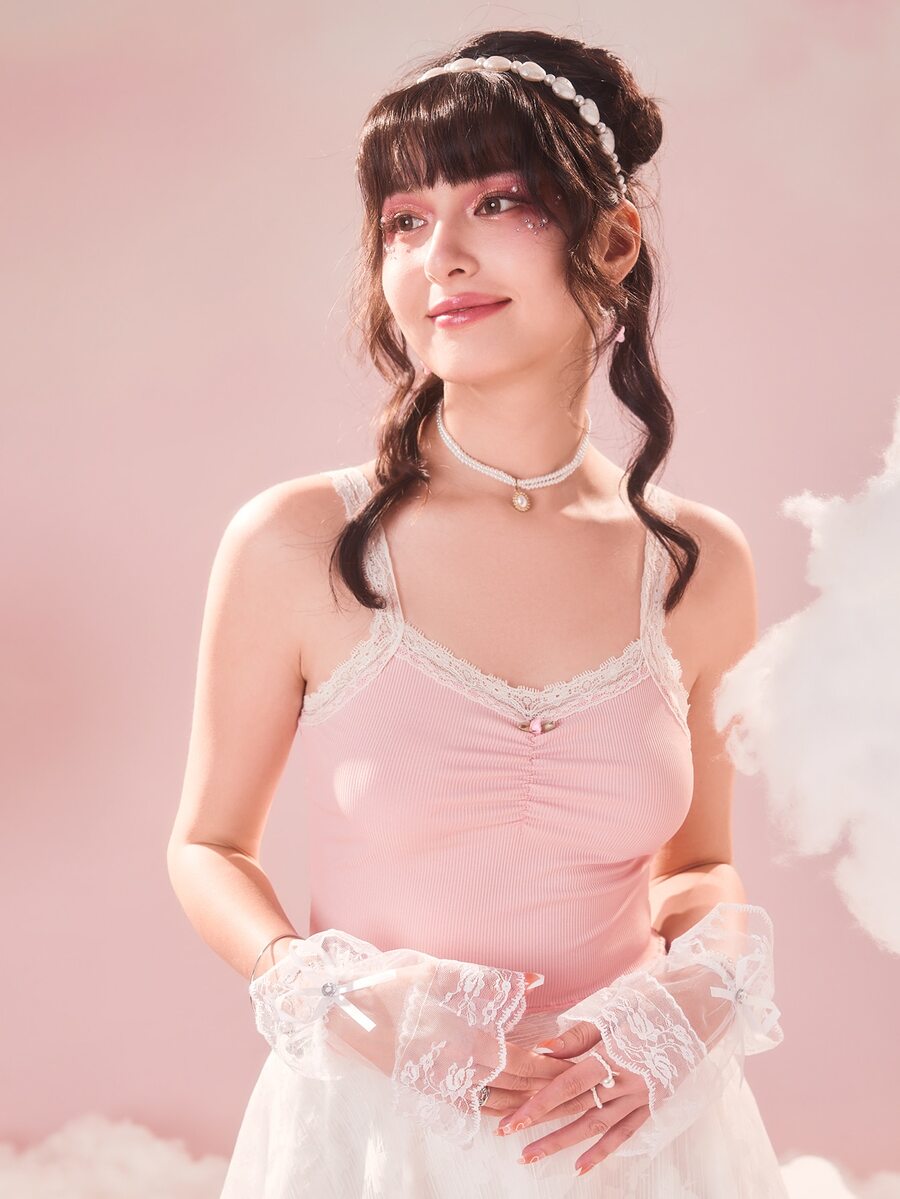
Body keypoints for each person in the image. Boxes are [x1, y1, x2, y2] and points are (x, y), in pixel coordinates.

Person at [167, 28, 790, 1197]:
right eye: (404, 220)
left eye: (498, 202)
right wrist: (338, 997)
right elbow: (207, 846)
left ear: (613, 240)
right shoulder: (296, 544)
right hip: (369, 1142)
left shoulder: (697, 563)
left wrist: (695, 997)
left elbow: (701, 864)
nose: (440, 256)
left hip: (642, 1144)